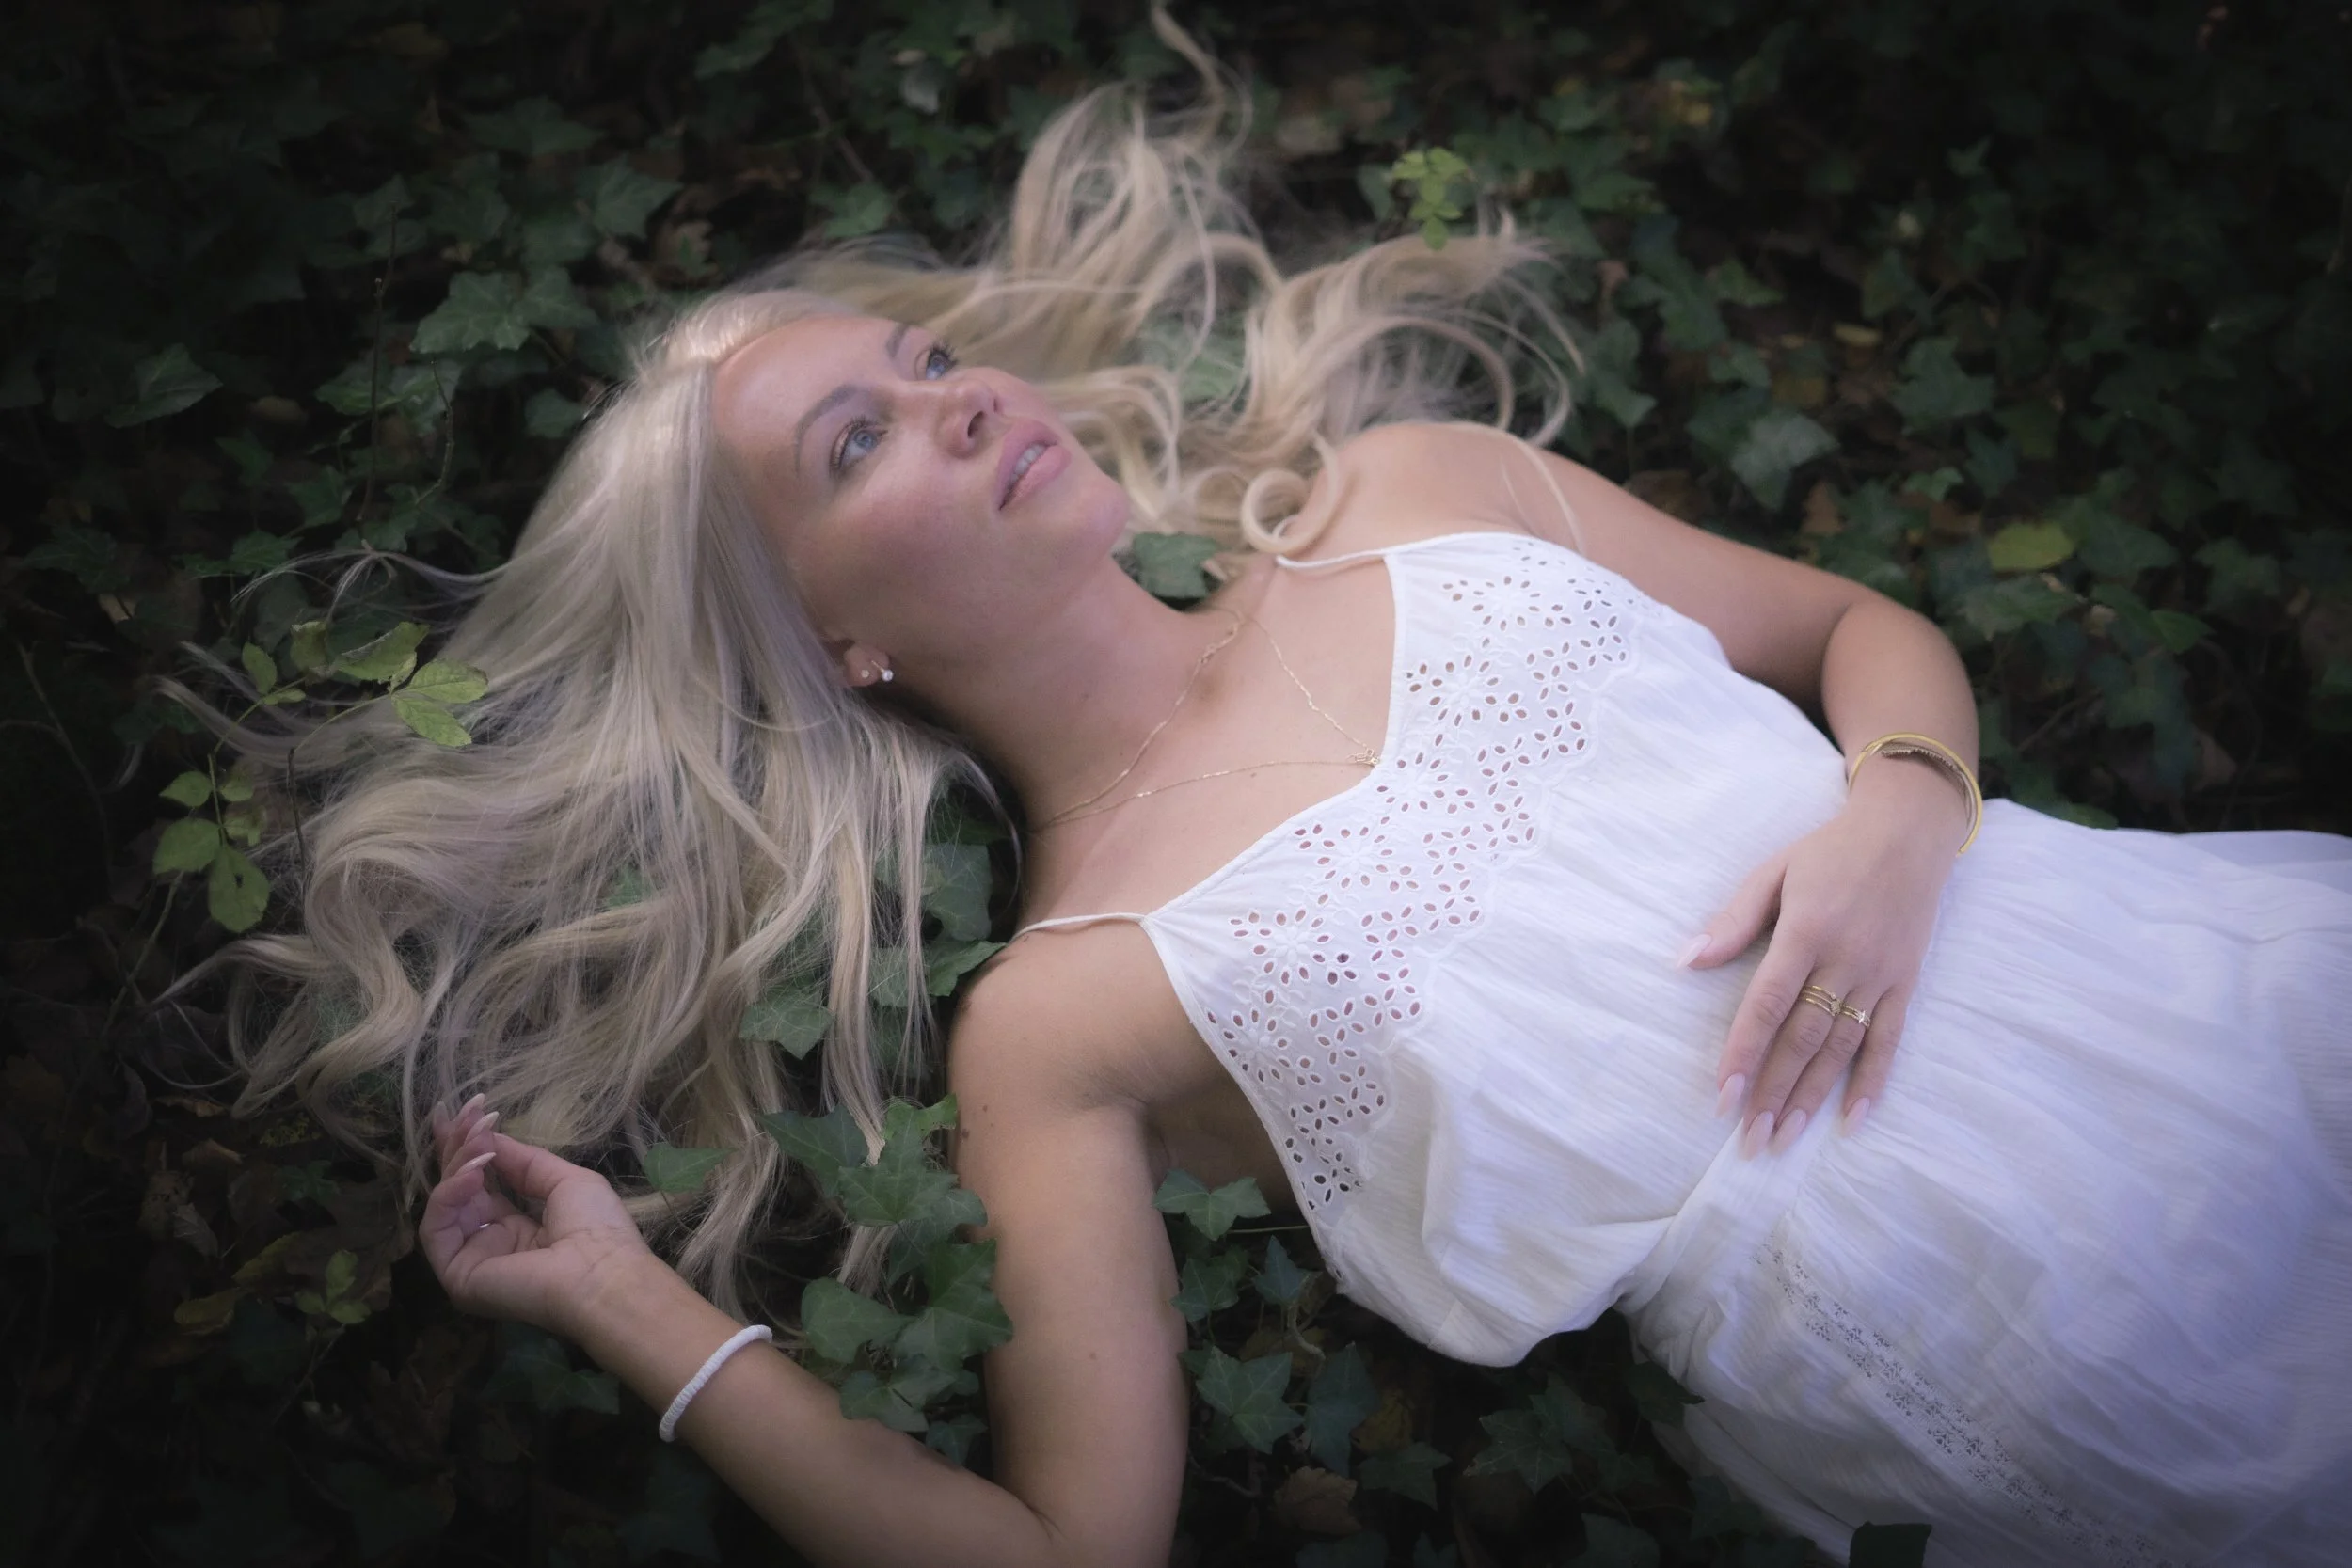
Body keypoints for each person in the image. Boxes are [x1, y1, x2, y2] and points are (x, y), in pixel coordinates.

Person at [215, 23, 2351, 1568]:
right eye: (854, 447)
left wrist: (1900, 808)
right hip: (1984, 1322)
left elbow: (1851, 626)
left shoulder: (1407, 497)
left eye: (925, 365)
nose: (954, 408)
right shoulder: (1064, 1009)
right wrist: (622, 1297)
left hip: (2183, 979)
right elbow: (1072, 1546)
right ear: (824, 637)